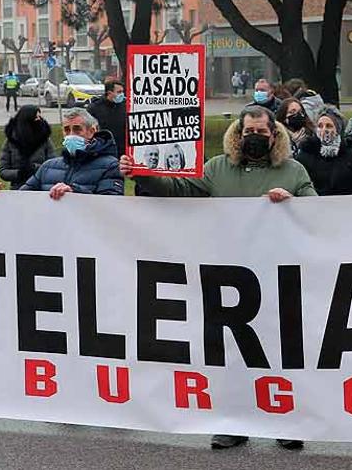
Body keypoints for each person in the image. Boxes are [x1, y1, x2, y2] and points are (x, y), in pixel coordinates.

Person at [119, 105, 315, 452]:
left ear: (275, 135)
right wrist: (142, 174)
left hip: (276, 274)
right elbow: (178, 191)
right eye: (249, 132)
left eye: (261, 132)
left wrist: (292, 203)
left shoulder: (293, 171)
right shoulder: (217, 169)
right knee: (230, 353)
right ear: (238, 135)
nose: (255, 137)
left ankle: (285, 420)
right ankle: (233, 423)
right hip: (228, 276)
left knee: (280, 352)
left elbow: (319, 214)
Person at [0, 109, 122, 199]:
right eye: (67, 130)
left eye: (77, 129)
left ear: (91, 131)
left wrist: (74, 192)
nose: (71, 134)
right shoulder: (48, 167)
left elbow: (111, 205)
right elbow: (23, 197)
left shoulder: (110, 165)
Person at [295, 108, 352, 195]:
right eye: (320, 126)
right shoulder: (306, 153)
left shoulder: (351, 155)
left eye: (329, 126)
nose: (324, 130)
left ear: (338, 129)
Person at [0, 105, 57, 189]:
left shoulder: (45, 140)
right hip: (18, 190)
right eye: (36, 118)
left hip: (41, 190)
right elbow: (3, 170)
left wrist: (34, 169)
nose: (39, 120)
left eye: (40, 117)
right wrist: (19, 173)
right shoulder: (11, 142)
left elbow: (53, 167)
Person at [87, 79, 127, 156]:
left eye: (122, 92)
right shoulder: (95, 108)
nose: (122, 94)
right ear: (109, 93)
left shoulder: (124, 105)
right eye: (119, 92)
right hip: (104, 150)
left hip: (122, 150)